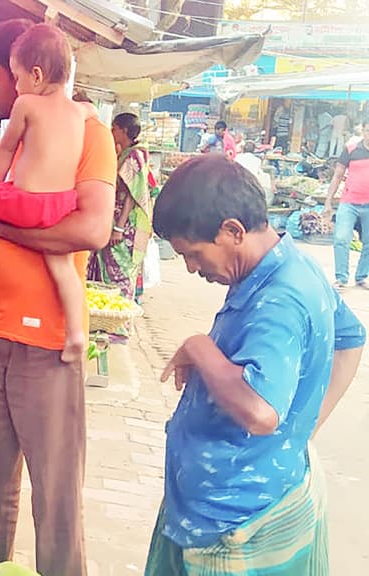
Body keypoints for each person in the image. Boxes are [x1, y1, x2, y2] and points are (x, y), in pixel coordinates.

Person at [0, 19, 117, 576]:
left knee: (55, 492)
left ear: (31, 76)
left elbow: (92, 230)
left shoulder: (88, 132)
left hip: (48, 345)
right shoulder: (16, 134)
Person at [145, 155, 365, 575]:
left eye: (194, 254)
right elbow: (351, 337)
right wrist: (303, 429)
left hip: (233, 518)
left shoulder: (277, 302)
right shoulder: (291, 264)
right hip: (233, 497)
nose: (192, 268)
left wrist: (200, 347)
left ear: (233, 231)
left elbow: (260, 412)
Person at [0, 24, 90, 362]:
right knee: (62, 267)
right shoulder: (78, 115)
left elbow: (5, 152)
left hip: (39, 343)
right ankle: (77, 335)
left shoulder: (30, 108)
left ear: (31, 75)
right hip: (59, 207)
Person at [88, 113, 153, 301]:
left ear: (124, 131)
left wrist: (119, 227)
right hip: (114, 219)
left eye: (114, 128)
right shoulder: (124, 153)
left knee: (119, 276)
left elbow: (132, 195)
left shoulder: (135, 155)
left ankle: (120, 321)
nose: (111, 132)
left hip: (124, 224)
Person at [323, 117, 369, 290]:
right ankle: (341, 278)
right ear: (363, 131)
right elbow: (337, 176)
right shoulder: (351, 149)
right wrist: (328, 202)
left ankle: (361, 277)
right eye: (367, 131)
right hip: (349, 203)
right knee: (341, 239)